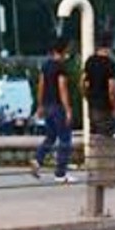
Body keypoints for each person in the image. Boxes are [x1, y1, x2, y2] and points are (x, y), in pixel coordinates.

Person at [32, 39, 74, 183]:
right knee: (65, 139)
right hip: (58, 106)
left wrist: (40, 105)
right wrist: (68, 109)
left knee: (50, 136)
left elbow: (41, 86)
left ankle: (38, 159)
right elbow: (62, 88)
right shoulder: (60, 68)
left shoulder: (46, 66)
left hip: (47, 105)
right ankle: (60, 173)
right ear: (63, 50)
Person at [83, 33, 115, 137]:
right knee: (106, 138)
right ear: (110, 45)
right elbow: (111, 89)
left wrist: (88, 97)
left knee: (94, 136)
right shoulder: (110, 64)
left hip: (92, 106)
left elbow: (83, 83)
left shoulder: (89, 61)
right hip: (105, 107)